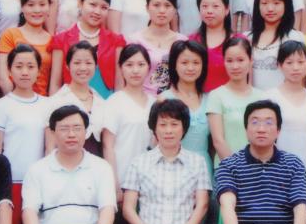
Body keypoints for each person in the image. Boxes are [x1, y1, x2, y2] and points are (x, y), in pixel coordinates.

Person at [0, 44, 53, 224]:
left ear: (39, 70)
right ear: (9, 70)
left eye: (30, 66)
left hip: (38, 182)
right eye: (18, 66)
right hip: (11, 182)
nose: (25, 72)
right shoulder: (1, 106)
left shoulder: (47, 105)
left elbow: (50, 149)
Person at [49, 0, 125, 97]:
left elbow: (119, 83)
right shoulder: (61, 40)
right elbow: (55, 83)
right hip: (70, 103)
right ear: (80, 3)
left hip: (105, 103)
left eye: (104, 7)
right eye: (93, 5)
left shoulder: (115, 41)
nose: (97, 12)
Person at [100, 45, 156, 203]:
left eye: (141, 64)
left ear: (148, 67)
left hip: (149, 182)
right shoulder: (114, 102)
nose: (135, 70)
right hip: (122, 180)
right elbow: (108, 146)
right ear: (120, 68)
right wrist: (114, 185)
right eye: (129, 65)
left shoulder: (154, 103)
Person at [205, 38, 268, 166]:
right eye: (229, 61)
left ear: (250, 61)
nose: (235, 66)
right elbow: (218, 141)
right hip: (227, 170)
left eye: (240, 60)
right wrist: (237, 170)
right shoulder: (216, 96)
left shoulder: (261, 97)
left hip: (258, 169)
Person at [46, 41, 109, 156]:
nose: (83, 68)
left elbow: (106, 145)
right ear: (67, 65)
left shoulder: (101, 102)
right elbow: (50, 147)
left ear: (96, 66)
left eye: (88, 63)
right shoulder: (56, 101)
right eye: (77, 63)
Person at [160, 40, 212, 171]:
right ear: (174, 65)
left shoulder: (210, 100)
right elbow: (156, 142)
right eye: (184, 63)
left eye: (196, 63)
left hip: (203, 168)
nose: (190, 68)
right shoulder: (164, 99)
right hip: (172, 168)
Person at [267, 41, 306, 168]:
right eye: (289, 63)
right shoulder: (270, 98)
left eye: (301, 62)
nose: (295, 68)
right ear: (279, 65)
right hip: (277, 169)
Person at [126, 0, 184, 96]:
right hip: (142, 99)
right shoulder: (134, 41)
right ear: (147, 7)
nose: (162, 10)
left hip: (173, 102)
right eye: (156, 5)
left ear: (174, 10)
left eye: (167, 5)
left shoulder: (182, 42)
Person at [0, 0, 52, 96]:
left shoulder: (53, 40)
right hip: (13, 99)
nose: (37, 10)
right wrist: (17, 101)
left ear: (49, 7)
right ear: (22, 7)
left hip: (43, 101)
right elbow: (2, 78)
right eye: (31, 5)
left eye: (42, 4)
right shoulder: (10, 35)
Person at [249, 0, 306, 91]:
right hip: (254, 100)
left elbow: (302, 81)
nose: (270, 8)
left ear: (286, 5)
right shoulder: (247, 38)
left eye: (276, 3)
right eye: (264, 3)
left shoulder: (296, 38)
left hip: (285, 99)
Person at [188, 0, 236, 91]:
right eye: (204, 6)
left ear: (227, 9)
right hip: (198, 99)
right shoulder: (191, 41)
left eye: (215, 6)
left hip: (228, 99)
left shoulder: (238, 41)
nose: (209, 11)